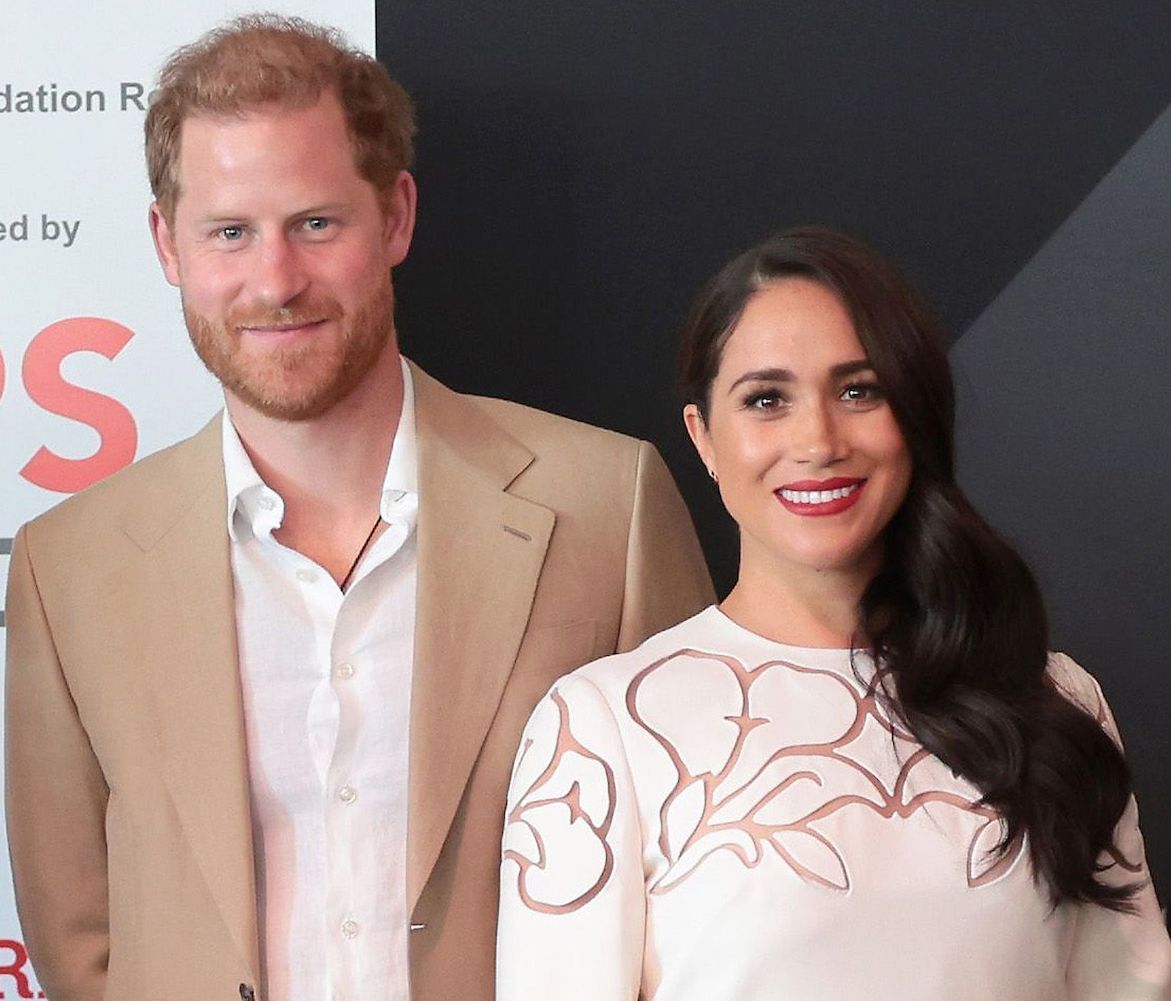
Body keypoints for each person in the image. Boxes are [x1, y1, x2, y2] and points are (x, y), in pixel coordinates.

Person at [3, 15, 713, 1001]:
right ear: (168, 245)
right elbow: (81, 942)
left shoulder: (606, 505)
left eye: (315, 224)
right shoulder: (68, 566)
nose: (275, 281)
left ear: (396, 217)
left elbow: (698, 885)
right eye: (229, 232)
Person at [496, 226, 1171, 1000]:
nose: (817, 440)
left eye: (857, 390)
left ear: (913, 416)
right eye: (766, 399)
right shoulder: (601, 727)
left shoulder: (1055, 701)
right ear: (703, 437)